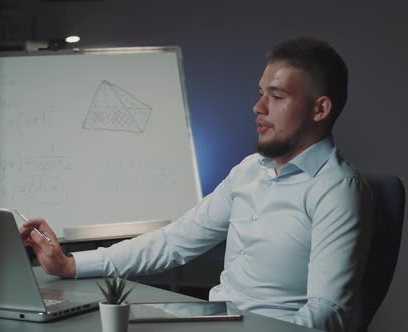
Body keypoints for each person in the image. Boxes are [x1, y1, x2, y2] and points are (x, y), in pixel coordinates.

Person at [20, 37, 373, 332]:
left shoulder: (338, 189)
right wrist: (71, 265)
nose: (258, 107)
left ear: (320, 109)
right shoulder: (249, 172)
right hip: (218, 321)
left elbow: (327, 312)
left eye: (277, 97)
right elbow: (174, 241)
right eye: (261, 93)